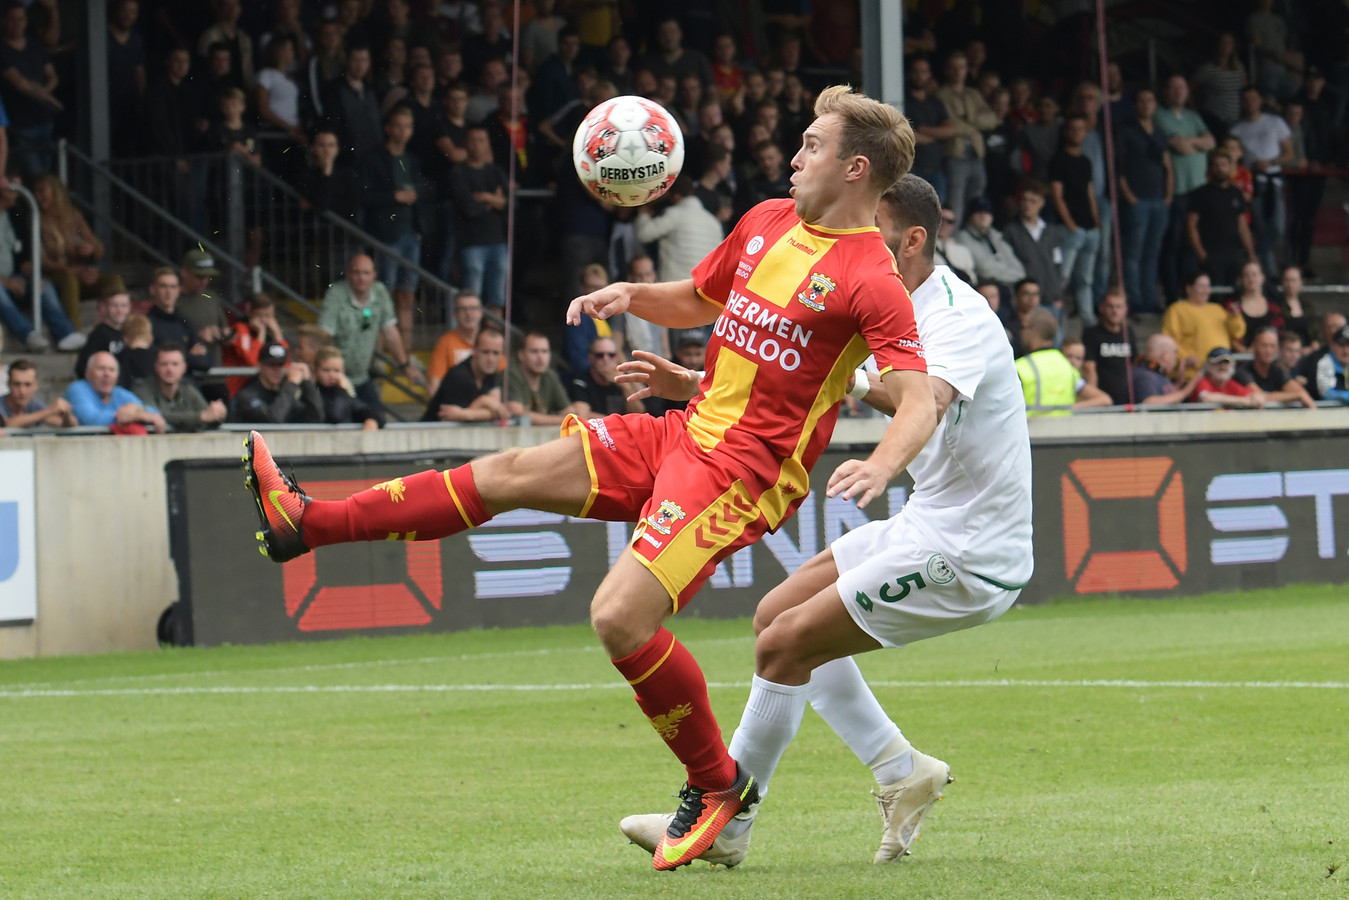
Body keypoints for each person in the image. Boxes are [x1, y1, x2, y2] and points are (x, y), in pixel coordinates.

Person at [243, 85, 933, 871]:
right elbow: (699, 298)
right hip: (680, 432)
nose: (793, 155)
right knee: (508, 472)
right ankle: (307, 523)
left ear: (852, 168)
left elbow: (915, 397)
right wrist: (630, 294)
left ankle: (716, 786)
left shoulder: (869, 277)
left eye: (810, 145)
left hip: (741, 475)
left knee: (618, 618)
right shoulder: (767, 221)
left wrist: (882, 462)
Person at [617, 174, 1031, 868]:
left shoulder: (955, 315)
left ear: (913, 238)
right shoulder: (871, 294)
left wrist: (878, 465)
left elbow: (921, 401)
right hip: (927, 520)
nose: (857, 238)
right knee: (775, 616)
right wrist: (694, 387)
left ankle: (729, 825)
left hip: (969, 551)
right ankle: (900, 769)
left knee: (785, 649)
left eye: (874, 227)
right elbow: (800, 381)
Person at [316, 253, 420, 416]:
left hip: (361, 377)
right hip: (335, 378)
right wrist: (332, 371)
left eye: (366, 273)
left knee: (378, 418)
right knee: (339, 418)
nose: (361, 278)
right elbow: (323, 337)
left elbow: (390, 332)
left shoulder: (380, 292)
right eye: (356, 273)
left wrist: (404, 365)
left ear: (374, 275)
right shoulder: (336, 293)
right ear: (348, 274)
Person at [360, 104, 424, 350]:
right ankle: (375, 351)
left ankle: (404, 353)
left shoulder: (413, 160)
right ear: (388, 128)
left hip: (410, 235)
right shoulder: (374, 159)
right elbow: (365, 195)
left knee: (407, 295)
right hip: (385, 235)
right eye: (398, 125)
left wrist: (419, 225)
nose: (402, 131)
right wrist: (393, 196)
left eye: (407, 126)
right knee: (381, 297)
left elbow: (421, 192)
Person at [1155, 75, 1215, 301]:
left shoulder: (1193, 115)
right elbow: (1177, 145)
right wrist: (1195, 142)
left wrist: (1191, 142)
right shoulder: (1159, 115)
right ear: (1165, 91)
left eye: (1181, 87)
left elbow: (1210, 143)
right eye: (1172, 87)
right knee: (1174, 244)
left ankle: (1189, 292)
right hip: (1176, 191)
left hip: (1198, 190)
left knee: (1192, 246)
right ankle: (1172, 294)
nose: (1177, 91)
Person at [1116, 88, 1173, 315]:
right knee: (1134, 253)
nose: (1146, 105)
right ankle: (1134, 298)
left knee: (1153, 252)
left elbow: (1167, 165)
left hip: (1159, 199)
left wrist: (1168, 195)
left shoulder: (1159, 131)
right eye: (1141, 100)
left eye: (1150, 100)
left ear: (1155, 104)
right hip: (1137, 199)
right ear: (1135, 104)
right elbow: (1118, 165)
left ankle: (1150, 299)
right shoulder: (1126, 130)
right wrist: (1128, 195)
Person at [1227, 86, 1292, 277]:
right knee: (1260, 228)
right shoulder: (1237, 128)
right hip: (1251, 180)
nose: (1250, 103)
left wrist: (1271, 162)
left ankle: (1257, 257)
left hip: (1273, 179)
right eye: (1246, 99)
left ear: (1261, 100)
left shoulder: (1275, 122)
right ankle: (1268, 274)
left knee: (1277, 228)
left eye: (1253, 99)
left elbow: (1289, 153)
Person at [449, 126, 509, 313]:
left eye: (481, 140)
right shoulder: (459, 173)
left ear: (488, 144)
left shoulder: (496, 171)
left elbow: (509, 204)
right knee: (471, 298)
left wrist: (483, 197)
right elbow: (468, 208)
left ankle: (494, 340)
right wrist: (495, 200)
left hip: (497, 241)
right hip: (471, 242)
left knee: (497, 297)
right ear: (465, 144)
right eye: (473, 140)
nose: (477, 145)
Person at [1049, 114, 1100, 326]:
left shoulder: (1086, 161)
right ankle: (1058, 319)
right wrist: (1071, 224)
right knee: (1063, 278)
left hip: (1090, 228)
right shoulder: (1059, 159)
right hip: (1070, 228)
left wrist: (1096, 222)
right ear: (1066, 132)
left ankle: (1088, 319)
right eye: (1073, 129)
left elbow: (1090, 193)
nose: (1077, 133)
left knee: (1085, 279)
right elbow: (1057, 194)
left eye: (1081, 129)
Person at [936, 50, 996, 225]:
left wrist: (968, 121)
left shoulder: (973, 93)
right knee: (956, 201)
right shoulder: (941, 94)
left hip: (976, 154)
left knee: (977, 202)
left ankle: (972, 238)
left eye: (961, 67)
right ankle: (953, 238)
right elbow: (952, 125)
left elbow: (991, 119)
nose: (957, 72)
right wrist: (974, 125)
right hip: (956, 154)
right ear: (946, 70)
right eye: (953, 68)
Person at [1016, 307, 1111, 414]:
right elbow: (1104, 399)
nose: (1021, 332)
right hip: (1064, 430)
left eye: (1023, 327)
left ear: (1033, 330)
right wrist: (1069, 409)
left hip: (1032, 429)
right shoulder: (1068, 367)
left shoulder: (1020, 367)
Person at [1187, 149, 1256, 289]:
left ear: (1231, 167)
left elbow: (1243, 226)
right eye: (1216, 165)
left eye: (1224, 164)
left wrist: (1251, 253)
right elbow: (1191, 226)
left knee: (1234, 293)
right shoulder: (1200, 194)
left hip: (1234, 254)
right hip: (1210, 254)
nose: (1220, 168)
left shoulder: (1236, 194)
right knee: (1213, 294)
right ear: (1211, 168)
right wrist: (1201, 254)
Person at [1162, 270, 1247, 379]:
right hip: (1193, 375)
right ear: (1188, 288)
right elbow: (1169, 340)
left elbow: (1237, 333)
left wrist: (1235, 317)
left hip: (1221, 374)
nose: (1206, 291)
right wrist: (1184, 357)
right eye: (1201, 286)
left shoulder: (1217, 309)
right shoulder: (1176, 310)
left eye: (1208, 286)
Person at [421, 324, 507, 423]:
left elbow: (498, 411)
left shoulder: (491, 372)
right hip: (431, 433)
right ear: (474, 350)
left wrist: (465, 413)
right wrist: (484, 402)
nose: (491, 359)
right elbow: (454, 419)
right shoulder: (459, 376)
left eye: (496, 353)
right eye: (485, 352)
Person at [1002, 180, 1065, 315]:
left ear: (1042, 203)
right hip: (1025, 304)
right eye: (1024, 200)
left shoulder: (1050, 231)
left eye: (1033, 201)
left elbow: (1057, 264)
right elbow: (1007, 265)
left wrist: (1058, 296)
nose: (1027, 205)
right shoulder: (1010, 231)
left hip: (1051, 300)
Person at [133, 343, 226, 432]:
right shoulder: (143, 388)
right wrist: (200, 417)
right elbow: (155, 414)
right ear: (156, 367)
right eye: (164, 364)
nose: (169, 369)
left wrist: (219, 413)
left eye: (175, 364)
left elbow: (208, 415)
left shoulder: (186, 389)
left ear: (184, 368)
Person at [66, 350, 165, 431]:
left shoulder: (118, 393)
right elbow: (91, 419)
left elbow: (153, 412)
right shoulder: (77, 389)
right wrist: (130, 416)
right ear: (88, 373)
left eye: (112, 370)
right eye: (101, 368)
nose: (107, 374)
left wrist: (137, 411)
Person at [229, 340, 322, 424]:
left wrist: (307, 383)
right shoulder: (248, 395)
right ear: (259, 366)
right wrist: (291, 384)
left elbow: (315, 417)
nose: (277, 370)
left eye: (280, 365)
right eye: (271, 365)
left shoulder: (284, 391)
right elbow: (273, 419)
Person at [504, 331, 576, 426]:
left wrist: (566, 419)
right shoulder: (511, 374)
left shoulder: (550, 376)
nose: (540, 357)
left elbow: (570, 413)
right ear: (521, 355)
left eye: (544, 351)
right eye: (534, 351)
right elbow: (518, 414)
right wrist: (561, 420)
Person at [954, 197, 1026, 291]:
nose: (983, 216)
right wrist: (1010, 275)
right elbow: (984, 271)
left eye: (987, 213)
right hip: (983, 290)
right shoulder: (962, 238)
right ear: (970, 216)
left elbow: (1020, 271)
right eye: (978, 212)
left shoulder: (997, 237)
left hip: (1008, 290)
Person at [221, 292, 285, 396]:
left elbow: (285, 362)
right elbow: (253, 362)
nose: (264, 320)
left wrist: (277, 333)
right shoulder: (241, 329)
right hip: (236, 392)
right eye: (260, 315)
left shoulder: (270, 335)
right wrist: (261, 333)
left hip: (256, 391)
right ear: (250, 313)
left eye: (268, 316)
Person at [566, 335, 645, 417]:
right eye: (600, 355)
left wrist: (625, 388)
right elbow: (581, 415)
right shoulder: (581, 382)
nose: (606, 359)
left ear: (617, 357)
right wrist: (615, 422)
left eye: (611, 355)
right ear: (590, 357)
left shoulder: (623, 379)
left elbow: (638, 414)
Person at [1080, 287, 1135, 405]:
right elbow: (1089, 368)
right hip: (1104, 400)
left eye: (1119, 307)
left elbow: (1134, 365)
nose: (1115, 311)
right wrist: (1095, 400)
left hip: (1127, 400)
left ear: (1125, 309)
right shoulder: (1092, 333)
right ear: (1101, 308)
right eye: (1110, 306)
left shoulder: (1128, 332)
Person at [1238, 327, 1315, 407]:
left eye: (1272, 346)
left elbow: (1302, 393)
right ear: (1254, 346)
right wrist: (1297, 395)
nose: (1268, 351)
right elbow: (1259, 397)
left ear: (1277, 349)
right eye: (1264, 345)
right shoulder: (1243, 371)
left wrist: (1299, 395)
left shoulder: (1277, 371)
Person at [313, 346, 380, 430]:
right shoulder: (313, 392)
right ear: (315, 370)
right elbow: (335, 416)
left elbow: (367, 411)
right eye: (326, 370)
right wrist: (342, 391)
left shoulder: (344, 393)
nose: (332, 375)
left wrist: (371, 419)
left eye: (336, 371)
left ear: (343, 372)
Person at [1130, 334, 1204, 404]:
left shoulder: (1157, 373)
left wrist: (1178, 384)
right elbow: (1150, 402)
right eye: (1175, 352)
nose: (1177, 357)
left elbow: (1165, 396)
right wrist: (1188, 388)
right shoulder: (1144, 375)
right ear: (1165, 356)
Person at [0, 358, 74, 428]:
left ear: (36, 385)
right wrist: (50, 411)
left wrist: (67, 414)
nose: (22, 391)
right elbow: (6, 424)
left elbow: (67, 424)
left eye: (27, 384)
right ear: (8, 384)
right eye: (16, 384)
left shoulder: (34, 404)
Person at [1228, 260, 1283, 351]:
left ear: (1263, 277)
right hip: (1242, 359)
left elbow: (1280, 333)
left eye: (1254, 274)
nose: (1251, 279)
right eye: (1247, 275)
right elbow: (1227, 335)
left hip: (1270, 356)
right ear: (1241, 279)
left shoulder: (1273, 305)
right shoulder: (1233, 305)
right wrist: (1244, 351)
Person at [1190, 347, 1265, 408]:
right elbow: (1206, 398)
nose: (1222, 366)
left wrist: (1256, 397)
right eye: (1218, 362)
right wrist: (1245, 401)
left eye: (1226, 362)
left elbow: (1255, 396)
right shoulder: (1202, 381)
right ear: (1209, 365)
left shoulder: (1230, 384)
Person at [1298, 323, 1349, 403]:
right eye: (1342, 345)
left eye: (1348, 345)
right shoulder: (1324, 362)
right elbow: (1327, 393)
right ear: (1332, 345)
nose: (1346, 351)